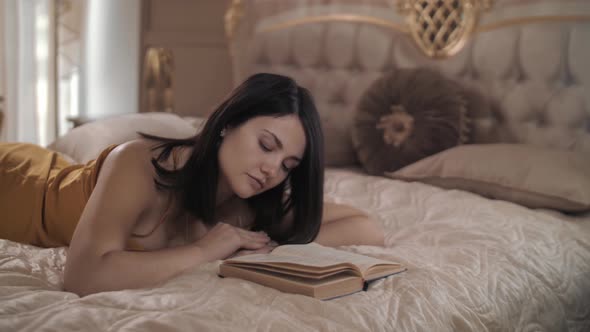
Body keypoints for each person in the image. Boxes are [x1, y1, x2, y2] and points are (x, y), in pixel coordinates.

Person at [0, 73, 384, 296]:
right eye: (266, 145)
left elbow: (365, 228)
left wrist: (271, 252)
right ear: (229, 123)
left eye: (288, 165)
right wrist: (204, 250)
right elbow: (82, 277)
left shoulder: (247, 207)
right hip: (18, 184)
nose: (272, 170)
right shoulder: (138, 163)